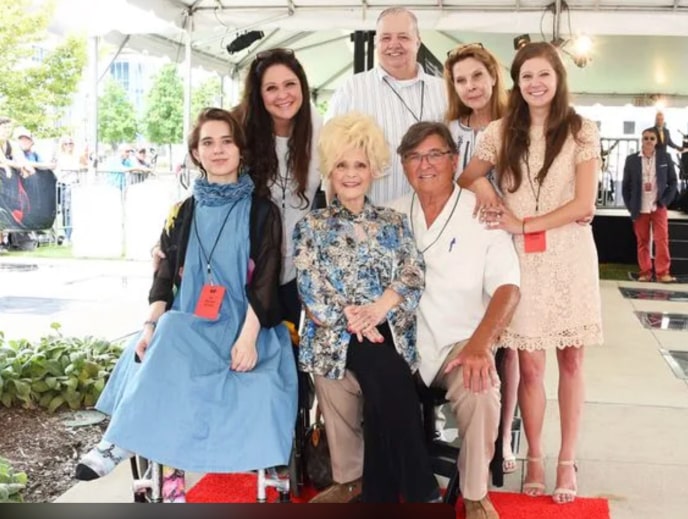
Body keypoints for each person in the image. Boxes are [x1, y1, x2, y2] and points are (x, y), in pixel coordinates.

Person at [74, 108, 297, 503]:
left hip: (243, 326)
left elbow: (265, 285)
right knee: (164, 333)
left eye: (227, 141)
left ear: (241, 149)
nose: (218, 150)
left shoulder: (264, 212)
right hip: (187, 325)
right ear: (195, 153)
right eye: (207, 143)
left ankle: (118, 441)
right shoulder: (182, 211)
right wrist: (147, 328)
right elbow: (163, 279)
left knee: (172, 330)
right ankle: (165, 478)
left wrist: (248, 340)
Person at [309, 120, 521, 519]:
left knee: (481, 387)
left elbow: (509, 288)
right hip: (398, 343)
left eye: (434, 154)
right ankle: (351, 477)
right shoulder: (390, 214)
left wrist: (481, 345)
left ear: (454, 160)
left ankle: (475, 494)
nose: (424, 165)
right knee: (330, 371)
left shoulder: (482, 213)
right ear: (402, 166)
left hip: (459, 342)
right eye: (413, 157)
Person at [458, 41, 603, 504]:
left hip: (570, 252)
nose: (536, 84)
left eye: (544, 75)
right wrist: (490, 194)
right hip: (521, 257)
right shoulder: (500, 132)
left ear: (558, 79)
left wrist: (524, 222)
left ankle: (567, 458)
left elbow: (584, 203)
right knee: (532, 364)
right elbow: (466, 176)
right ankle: (535, 456)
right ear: (516, 84)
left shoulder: (582, 130)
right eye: (526, 77)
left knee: (573, 361)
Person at [293, 112, 439, 504]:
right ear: (330, 170)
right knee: (388, 371)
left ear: (373, 169)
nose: (352, 174)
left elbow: (413, 271)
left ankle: (379, 491)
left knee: (385, 372)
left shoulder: (393, 222)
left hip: (387, 328)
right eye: (342, 165)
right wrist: (355, 319)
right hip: (335, 337)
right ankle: (421, 490)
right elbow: (311, 288)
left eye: (359, 164)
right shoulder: (312, 226)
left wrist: (379, 307)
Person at [443, 41, 520, 474]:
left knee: (504, 343)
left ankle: (503, 439)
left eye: (477, 76)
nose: (471, 86)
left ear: (493, 76)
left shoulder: (517, 125)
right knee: (463, 333)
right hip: (460, 244)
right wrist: (480, 187)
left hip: (508, 238)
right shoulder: (450, 130)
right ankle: (461, 429)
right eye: (461, 80)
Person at [231, 48, 322, 328]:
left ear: (302, 86)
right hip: (248, 267)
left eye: (290, 84)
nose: (283, 95)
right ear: (258, 94)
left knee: (292, 355)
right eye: (271, 88)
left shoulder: (319, 129)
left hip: (299, 272)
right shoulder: (238, 129)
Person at [325, 7, 446, 204]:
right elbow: (330, 162)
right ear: (375, 42)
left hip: (431, 220)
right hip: (370, 224)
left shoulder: (444, 92)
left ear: (418, 41)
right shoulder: (351, 90)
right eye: (386, 38)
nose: (394, 44)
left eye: (403, 37)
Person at [621, 129, 678, 283]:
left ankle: (662, 272)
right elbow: (625, 186)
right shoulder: (631, 160)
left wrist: (665, 201)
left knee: (662, 240)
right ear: (641, 140)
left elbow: (673, 182)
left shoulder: (665, 158)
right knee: (643, 241)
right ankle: (645, 272)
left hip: (658, 206)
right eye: (645, 138)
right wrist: (630, 206)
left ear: (656, 141)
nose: (648, 141)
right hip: (640, 207)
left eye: (652, 138)